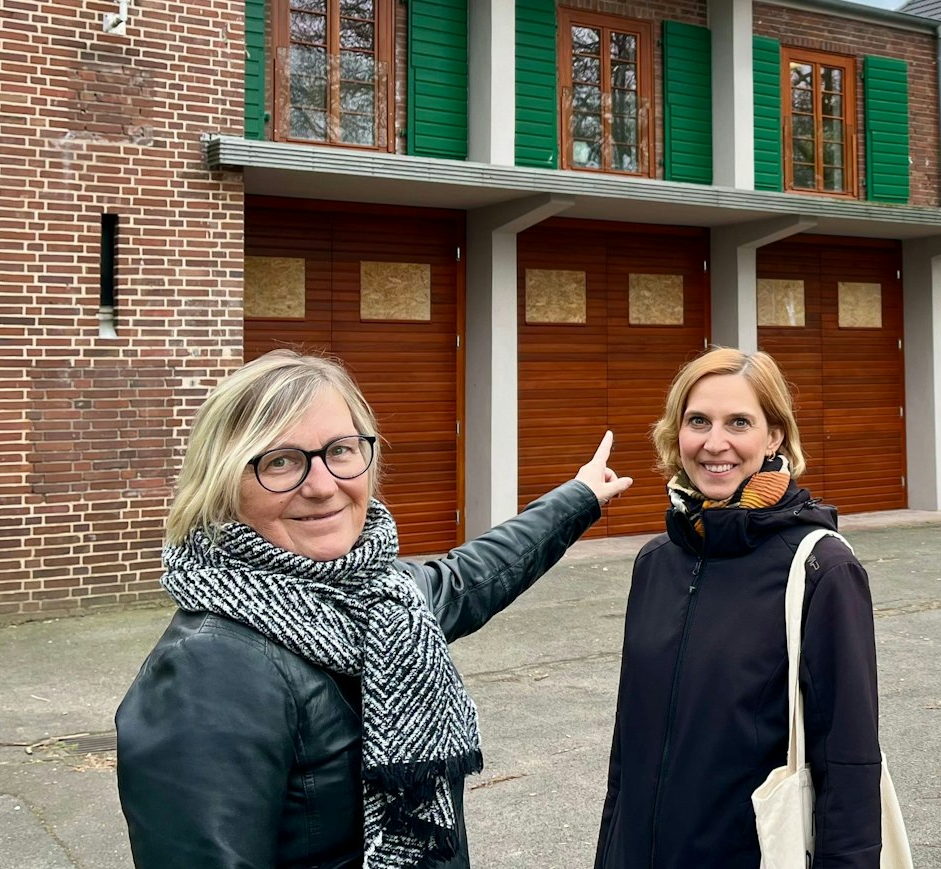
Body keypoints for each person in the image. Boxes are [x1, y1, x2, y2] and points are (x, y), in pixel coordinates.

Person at [115, 349, 632, 869]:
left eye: (340, 450)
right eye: (279, 461)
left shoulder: (382, 598)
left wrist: (580, 495)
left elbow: (472, 577)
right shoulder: (208, 667)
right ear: (222, 481)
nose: (321, 486)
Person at [594, 347, 884, 869]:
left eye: (739, 423)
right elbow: (628, 747)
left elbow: (849, 760)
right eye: (698, 420)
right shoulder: (656, 562)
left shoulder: (822, 568)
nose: (714, 443)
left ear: (774, 436)